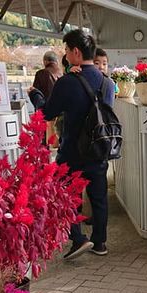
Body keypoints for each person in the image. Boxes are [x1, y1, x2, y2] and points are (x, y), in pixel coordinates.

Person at [39, 29, 115, 260]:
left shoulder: (67, 82)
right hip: (98, 149)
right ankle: (100, 242)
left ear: (75, 52)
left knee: (66, 197)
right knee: (99, 198)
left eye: (66, 50)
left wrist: (35, 96)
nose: (65, 54)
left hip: (72, 152)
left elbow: (47, 113)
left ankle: (78, 238)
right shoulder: (108, 83)